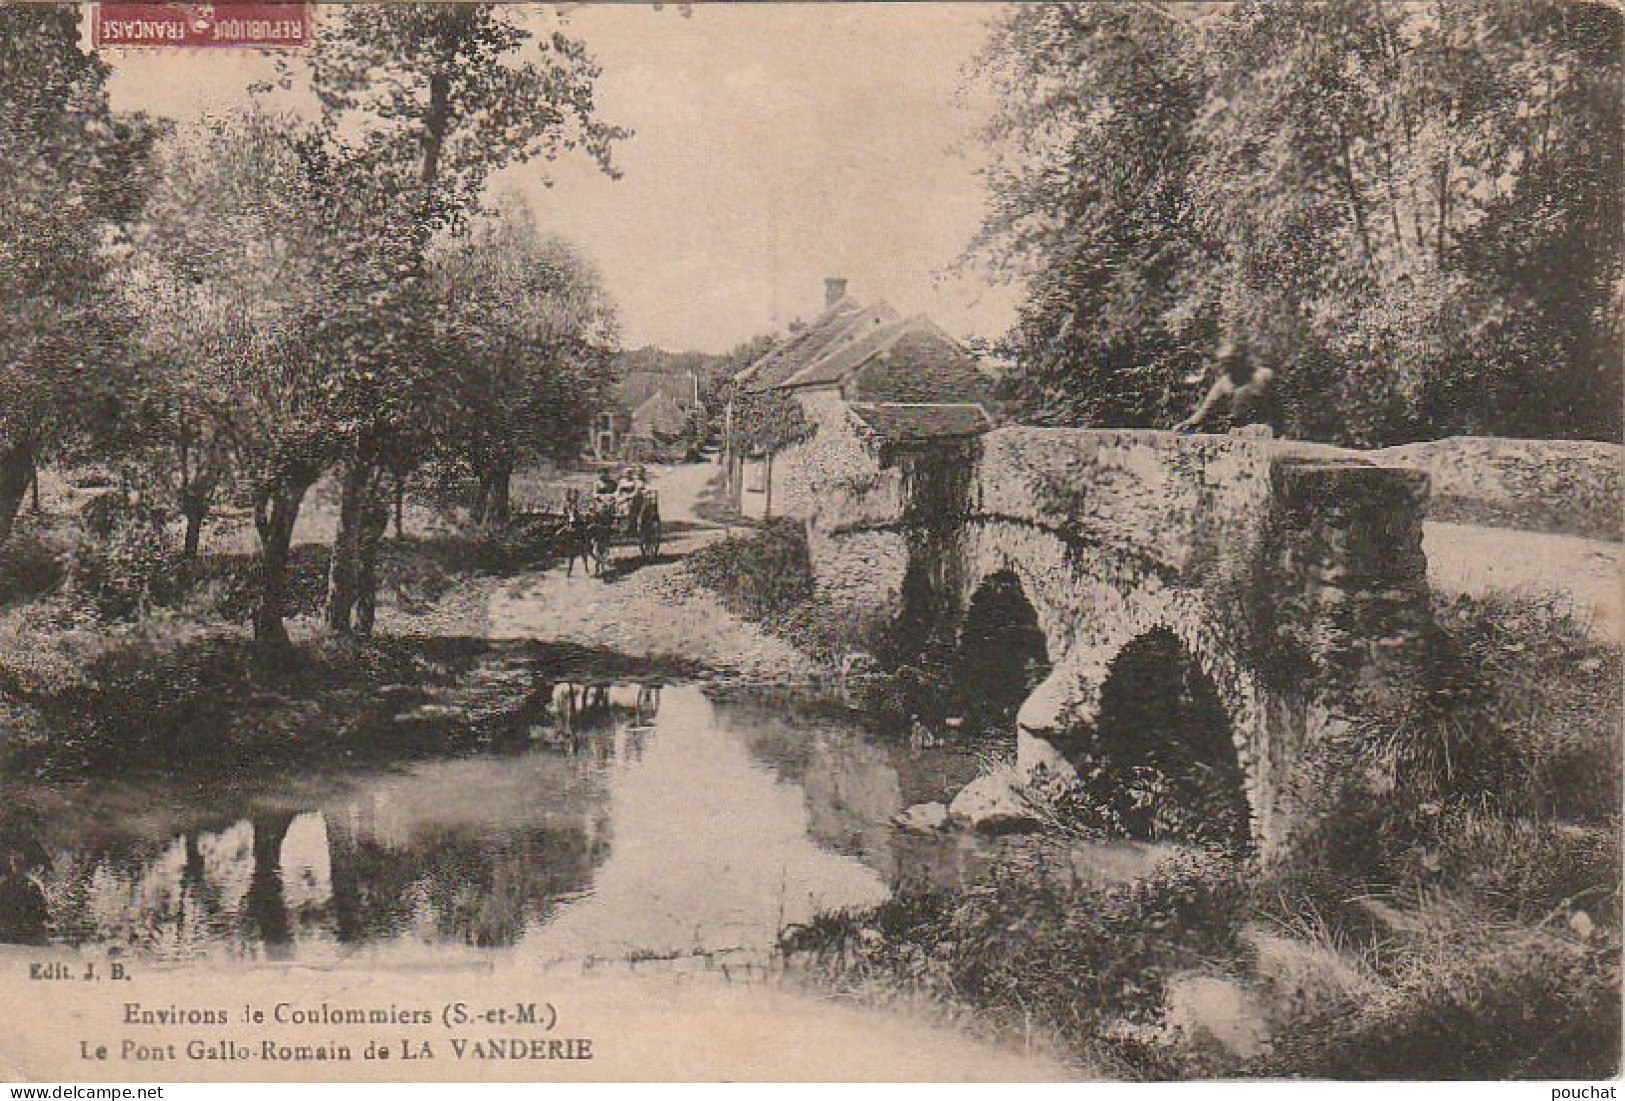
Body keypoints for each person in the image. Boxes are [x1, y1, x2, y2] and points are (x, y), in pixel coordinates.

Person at [1174, 341, 1278, 435]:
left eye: (1232, 361)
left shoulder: (1264, 376)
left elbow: (1277, 407)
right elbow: (1204, 410)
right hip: (1240, 431)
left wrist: (1276, 429)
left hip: (1265, 429)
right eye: (1224, 362)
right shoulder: (1223, 384)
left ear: (1241, 359)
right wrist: (1186, 423)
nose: (1227, 366)